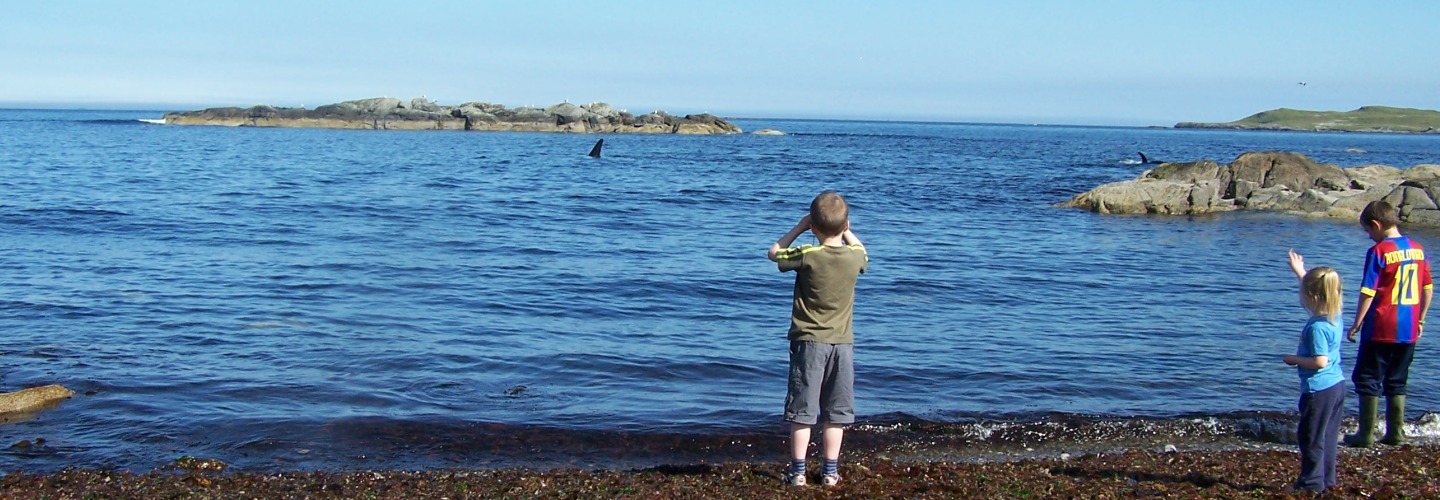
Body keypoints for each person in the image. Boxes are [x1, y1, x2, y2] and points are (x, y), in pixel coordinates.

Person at [767, 191, 868, 487]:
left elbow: (774, 253)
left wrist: (798, 228)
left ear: (813, 226)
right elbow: (863, 252)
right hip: (842, 345)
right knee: (835, 413)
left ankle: (798, 471)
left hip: (809, 342)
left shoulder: (808, 255)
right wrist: (847, 232)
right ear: (846, 225)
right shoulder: (854, 258)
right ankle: (830, 472)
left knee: (803, 410)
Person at [1345, 201, 1432, 447]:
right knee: (1397, 379)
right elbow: (1427, 288)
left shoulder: (1379, 252)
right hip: (1409, 328)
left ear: (1376, 224)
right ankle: (1395, 433)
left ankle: (1366, 435)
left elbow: (1368, 291)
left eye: (1368, 232)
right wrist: (1421, 318)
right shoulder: (1418, 248)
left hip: (1381, 326)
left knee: (1367, 377)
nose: (1369, 237)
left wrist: (1357, 323)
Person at [1283, 249, 1345, 493]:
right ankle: (1326, 480)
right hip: (1337, 386)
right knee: (1328, 437)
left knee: (1310, 438)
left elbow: (1319, 361)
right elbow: (1321, 290)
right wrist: (1302, 273)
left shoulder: (1317, 328)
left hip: (1318, 390)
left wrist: (1294, 359)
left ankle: (1311, 483)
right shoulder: (1334, 313)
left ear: (1311, 297)